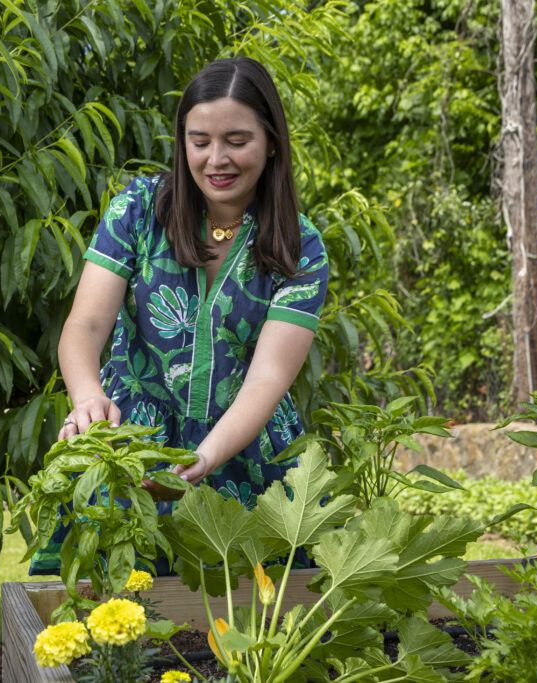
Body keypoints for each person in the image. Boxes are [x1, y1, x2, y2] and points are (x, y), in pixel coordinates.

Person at [29, 57, 328, 574]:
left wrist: (203, 460)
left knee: (257, 626)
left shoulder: (300, 248)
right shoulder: (140, 209)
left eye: (237, 140)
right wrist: (87, 399)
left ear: (272, 141)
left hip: (247, 455)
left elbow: (269, 378)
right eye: (200, 141)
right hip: (132, 446)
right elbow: (86, 325)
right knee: (108, 626)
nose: (217, 159)